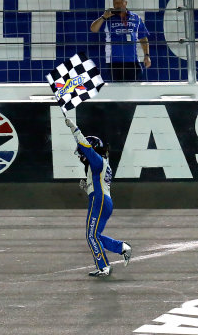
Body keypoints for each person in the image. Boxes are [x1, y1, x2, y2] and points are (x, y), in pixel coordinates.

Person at [64, 117, 132, 277]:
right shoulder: (103, 163)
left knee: (91, 236)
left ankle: (104, 267)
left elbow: (85, 146)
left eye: (82, 154)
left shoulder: (96, 159)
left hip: (99, 200)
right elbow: (98, 182)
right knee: (96, 236)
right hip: (104, 200)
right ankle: (122, 247)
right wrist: (87, 186)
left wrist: (74, 128)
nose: (81, 156)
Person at [90, 0, 151, 82]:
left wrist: (147, 55)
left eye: (120, 2)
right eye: (115, 3)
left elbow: (143, 38)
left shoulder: (136, 18)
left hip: (133, 61)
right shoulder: (108, 18)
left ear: (125, 3)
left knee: (135, 90)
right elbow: (93, 29)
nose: (117, 5)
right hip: (114, 62)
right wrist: (103, 17)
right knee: (118, 91)